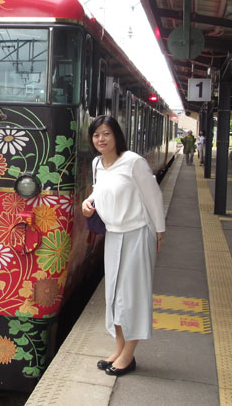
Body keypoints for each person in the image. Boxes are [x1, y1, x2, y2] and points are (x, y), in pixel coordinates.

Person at [81, 115, 165, 377]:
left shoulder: (133, 162)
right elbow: (100, 189)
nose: (101, 139)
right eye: (96, 135)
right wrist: (88, 201)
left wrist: (159, 233)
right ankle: (119, 349)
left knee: (133, 297)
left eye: (106, 133)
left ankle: (128, 356)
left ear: (116, 135)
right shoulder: (97, 163)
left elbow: (154, 197)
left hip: (138, 234)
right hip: (114, 235)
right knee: (115, 297)